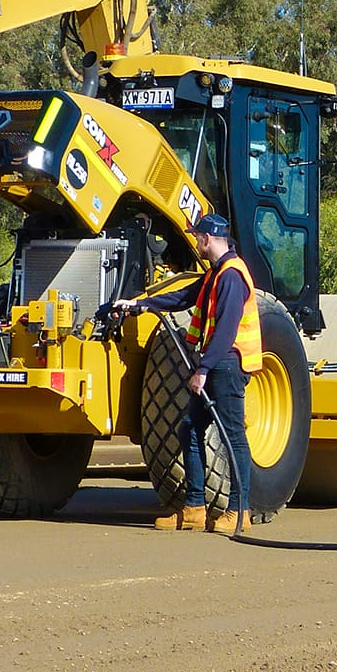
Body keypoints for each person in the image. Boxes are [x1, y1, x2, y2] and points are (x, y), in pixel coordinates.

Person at [114, 213, 259, 533]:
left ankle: (239, 510)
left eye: (197, 237)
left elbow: (226, 329)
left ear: (208, 239)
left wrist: (203, 370)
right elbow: (182, 297)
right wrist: (140, 305)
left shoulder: (232, 276)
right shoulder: (215, 274)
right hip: (215, 362)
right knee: (191, 429)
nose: (195, 242)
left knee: (233, 437)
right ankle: (194, 509)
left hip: (227, 364)